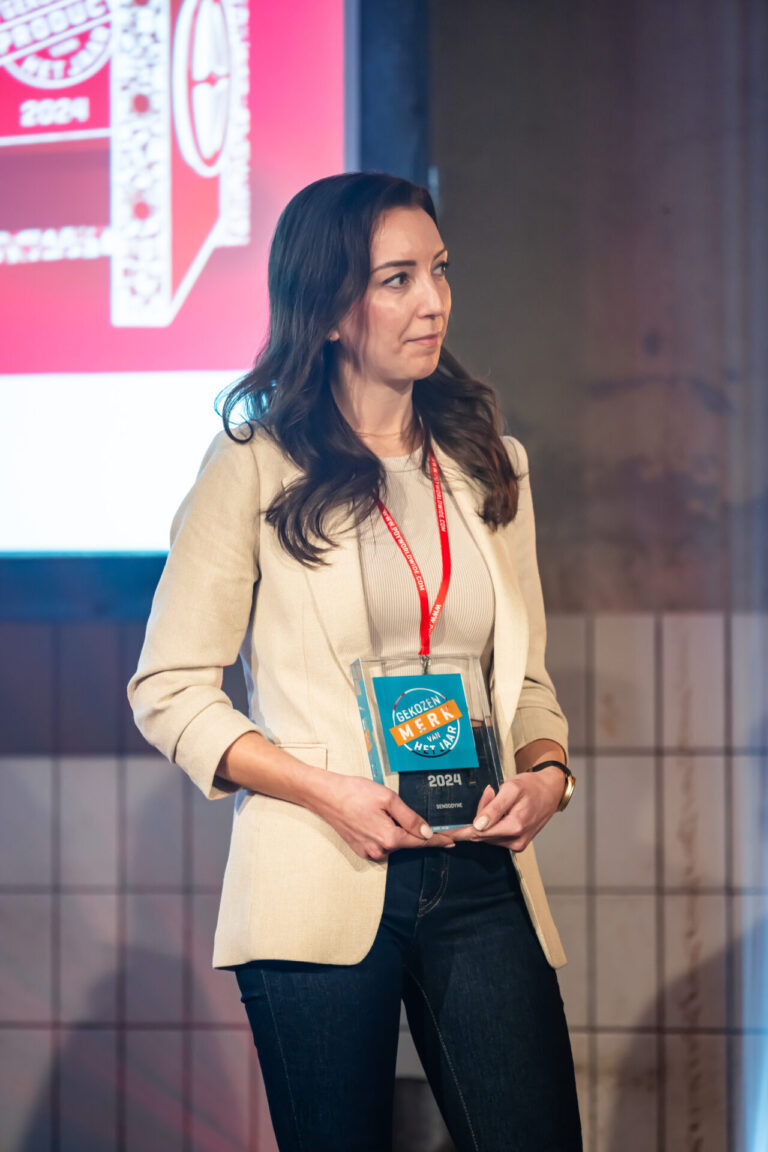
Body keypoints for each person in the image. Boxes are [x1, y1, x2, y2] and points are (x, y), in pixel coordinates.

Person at [128, 172, 583, 1152]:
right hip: (319, 866)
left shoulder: (491, 462)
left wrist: (549, 775)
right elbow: (168, 689)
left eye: (439, 271)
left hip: (479, 871)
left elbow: (528, 683)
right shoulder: (253, 463)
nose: (434, 301)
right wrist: (326, 791)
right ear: (332, 309)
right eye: (397, 279)